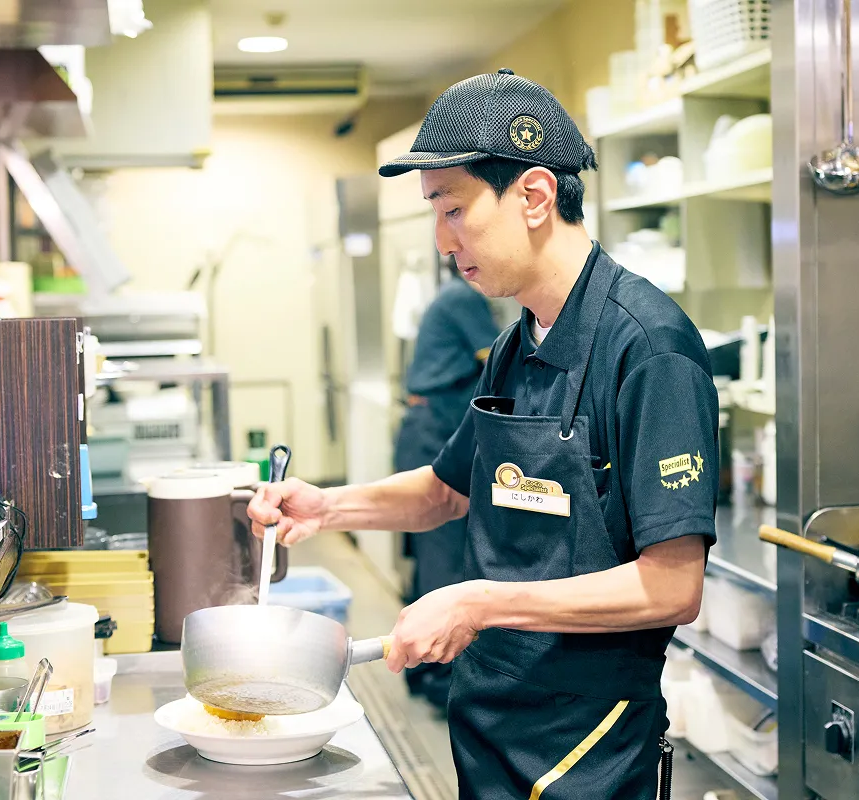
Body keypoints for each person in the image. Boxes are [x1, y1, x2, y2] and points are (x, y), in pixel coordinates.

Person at [249, 68, 718, 800]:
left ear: (533, 196)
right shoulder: (516, 343)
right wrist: (329, 506)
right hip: (491, 715)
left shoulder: (649, 349)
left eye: (454, 209)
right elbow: (447, 489)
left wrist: (477, 603)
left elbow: (672, 586)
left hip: (588, 741)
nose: (443, 240)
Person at [393, 263, 499, 708]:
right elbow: (498, 360)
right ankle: (440, 678)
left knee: (433, 554)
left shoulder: (455, 298)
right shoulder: (463, 298)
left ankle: (422, 670)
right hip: (435, 429)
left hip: (430, 425)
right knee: (444, 555)